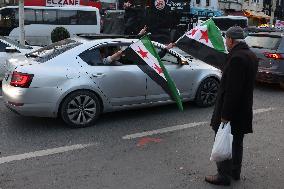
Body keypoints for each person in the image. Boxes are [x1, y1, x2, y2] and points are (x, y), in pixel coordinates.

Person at [205, 26, 259, 186]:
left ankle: (223, 175)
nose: (225, 42)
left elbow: (232, 90)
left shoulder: (237, 58)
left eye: (226, 39)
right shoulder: (250, 55)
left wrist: (225, 115)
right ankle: (235, 172)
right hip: (243, 108)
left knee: (224, 139)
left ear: (231, 40)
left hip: (231, 110)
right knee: (236, 141)